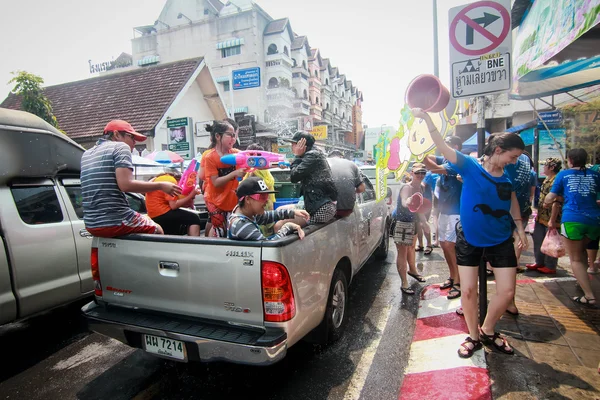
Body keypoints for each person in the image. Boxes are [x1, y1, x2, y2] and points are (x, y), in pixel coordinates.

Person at [413, 107, 527, 359]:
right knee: (468, 291)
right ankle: (473, 337)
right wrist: (428, 119)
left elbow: (511, 199)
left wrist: (519, 228)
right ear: (498, 150)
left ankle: (487, 330)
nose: (515, 161)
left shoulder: (506, 172)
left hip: (501, 239)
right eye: (513, 155)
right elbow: (442, 146)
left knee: (507, 291)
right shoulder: (470, 166)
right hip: (470, 238)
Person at [81, 119, 181, 237]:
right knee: (157, 229)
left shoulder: (87, 154)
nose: (134, 142)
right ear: (116, 134)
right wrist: (161, 185)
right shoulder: (120, 147)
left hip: (91, 223)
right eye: (131, 137)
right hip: (115, 220)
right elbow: (125, 185)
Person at [544, 148, 600, 307]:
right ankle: (584, 286)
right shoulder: (596, 175)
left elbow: (550, 197)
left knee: (575, 258)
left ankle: (589, 295)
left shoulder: (563, 175)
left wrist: (548, 201)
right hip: (595, 220)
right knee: (581, 253)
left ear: (570, 160)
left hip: (573, 220)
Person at [425, 136, 463, 299]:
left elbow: (433, 169)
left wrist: (425, 158)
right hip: (444, 211)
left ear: (455, 146)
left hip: (457, 211)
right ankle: (452, 276)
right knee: (443, 244)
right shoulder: (445, 158)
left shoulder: (458, 161)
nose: (441, 148)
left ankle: (459, 282)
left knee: (450, 246)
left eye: (445, 145)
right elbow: (430, 158)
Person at [228, 177, 309, 240]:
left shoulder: (247, 213)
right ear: (247, 199)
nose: (267, 201)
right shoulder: (241, 225)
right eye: (262, 197)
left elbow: (267, 216)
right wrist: (287, 227)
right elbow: (268, 246)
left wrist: (293, 212)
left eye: (267, 196)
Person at [203, 120, 245, 237]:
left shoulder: (237, 154)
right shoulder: (210, 157)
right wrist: (234, 173)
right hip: (215, 201)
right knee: (219, 231)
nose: (233, 138)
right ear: (218, 136)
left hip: (232, 201)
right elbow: (215, 182)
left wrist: (276, 163)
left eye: (234, 135)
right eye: (230, 135)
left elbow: (253, 160)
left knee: (232, 231)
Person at [392, 162, 430, 295]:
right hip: (402, 222)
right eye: (418, 172)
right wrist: (407, 202)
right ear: (412, 173)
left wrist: (424, 221)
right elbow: (404, 201)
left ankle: (413, 270)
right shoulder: (406, 187)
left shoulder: (421, 187)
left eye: (423, 173)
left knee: (411, 248)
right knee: (402, 252)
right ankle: (404, 283)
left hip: (413, 222)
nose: (420, 175)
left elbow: (418, 207)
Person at [288, 132, 338, 223]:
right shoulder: (312, 154)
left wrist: (297, 156)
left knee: (284, 226)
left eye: (294, 144)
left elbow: (294, 177)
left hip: (322, 208)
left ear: (302, 145)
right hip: (318, 205)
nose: (291, 146)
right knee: (282, 214)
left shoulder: (312, 155)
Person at [526, 158, 563, 274]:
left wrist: (552, 219)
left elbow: (557, 202)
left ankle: (550, 265)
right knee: (538, 239)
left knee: (552, 241)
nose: (544, 168)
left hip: (552, 218)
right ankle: (539, 261)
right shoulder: (547, 179)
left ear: (552, 167)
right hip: (541, 216)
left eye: (545, 165)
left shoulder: (556, 181)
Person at [145, 171, 202, 236]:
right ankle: (194, 242)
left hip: (153, 214)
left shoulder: (160, 178)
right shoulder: (172, 182)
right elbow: (174, 206)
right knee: (194, 218)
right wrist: (191, 195)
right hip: (162, 213)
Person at [243, 143, 277, 236]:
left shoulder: (259, 171)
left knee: (264, 230)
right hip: (262, 206)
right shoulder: (257, 171)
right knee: (265, 230)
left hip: (263, 205)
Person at [327, 150, 365, 217]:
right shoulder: (351, 164)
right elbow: (361, 188)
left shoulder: (323, 162)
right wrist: (351, 191)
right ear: (342, 157)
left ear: (329, 157)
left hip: (325, 211)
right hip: (346, 210)